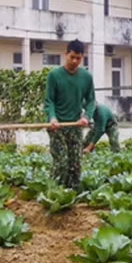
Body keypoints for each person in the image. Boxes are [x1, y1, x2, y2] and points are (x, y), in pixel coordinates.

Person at [44, 39, 95, 189]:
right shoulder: (54, 75)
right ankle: (54, 192)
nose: (74, 61)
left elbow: (91, 101)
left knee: (75, 165)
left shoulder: (86, 77)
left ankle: (71, 195)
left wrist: (86, 116)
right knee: (61, 162)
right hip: (57, 126)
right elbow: (49, 101)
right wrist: (52, 118)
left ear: (82, 57)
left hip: (75, 126)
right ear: (65, 54)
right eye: (72, 57)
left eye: (78, 58)